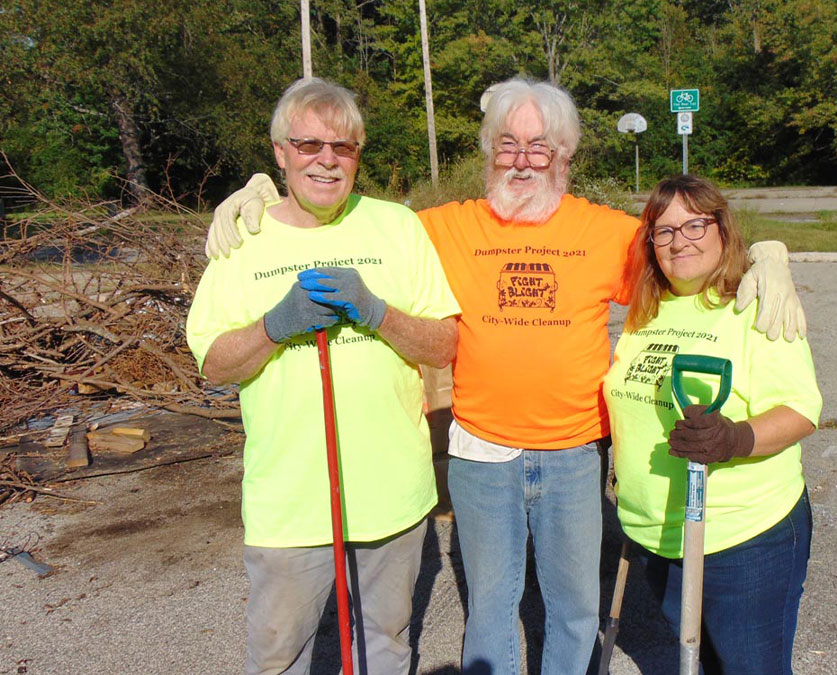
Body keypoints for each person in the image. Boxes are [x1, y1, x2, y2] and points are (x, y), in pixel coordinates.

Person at [203, 78, 806, 675]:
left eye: (540, 146)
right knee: (490, 606)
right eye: (508, 145)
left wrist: (767, 256)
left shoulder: (606, 232)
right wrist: (260, 190)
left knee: (574, 609)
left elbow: (688, 246)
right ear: (489, 153)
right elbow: (355, 221)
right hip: (480, 452)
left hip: (574, 451)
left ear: (565, 157)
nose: (523, 161)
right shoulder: (439, 227)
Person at [185, 77, 460, 675]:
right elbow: (213, 364)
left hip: (393, 496)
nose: (327, 161)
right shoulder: (244, 239)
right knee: (279, 656)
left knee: (385, 646)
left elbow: (446, 344)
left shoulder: (397, 227)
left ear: (359, 155)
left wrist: (377, 311)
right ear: (280, 153)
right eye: (308, 145)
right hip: (288, 503)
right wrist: (274, 325)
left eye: (344, 148)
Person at [603, 174, 821, 674]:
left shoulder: (756, 304)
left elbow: (800, 409)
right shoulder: (646, 311)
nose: (679, 241)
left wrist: (735, 438)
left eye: (695, 225)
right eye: (664, 231)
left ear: (722, 229)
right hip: (657, 534)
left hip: (744, 537)